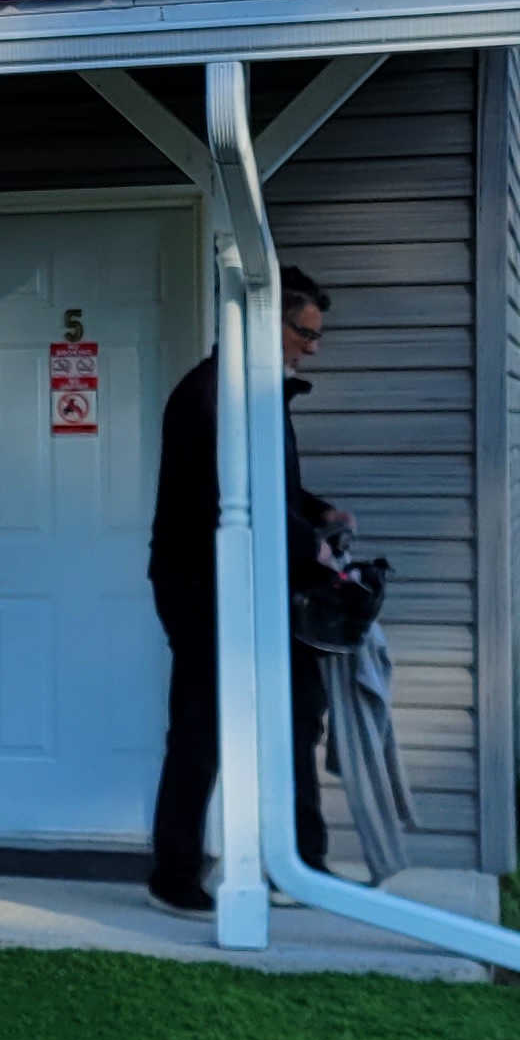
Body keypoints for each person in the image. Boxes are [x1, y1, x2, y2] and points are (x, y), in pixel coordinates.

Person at [145, 264, 347, 917]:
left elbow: (272, 491)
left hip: (262, 584)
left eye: (316, 336)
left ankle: (299, 867)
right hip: (202, 587)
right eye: (303, 333)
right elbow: (224, 497)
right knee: (201, 730)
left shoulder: (259, 392)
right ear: (265, 323)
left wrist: (316, 513)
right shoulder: (210, 398)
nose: (312, 348)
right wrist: (307, 544)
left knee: (298, 713)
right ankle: (173, 877)